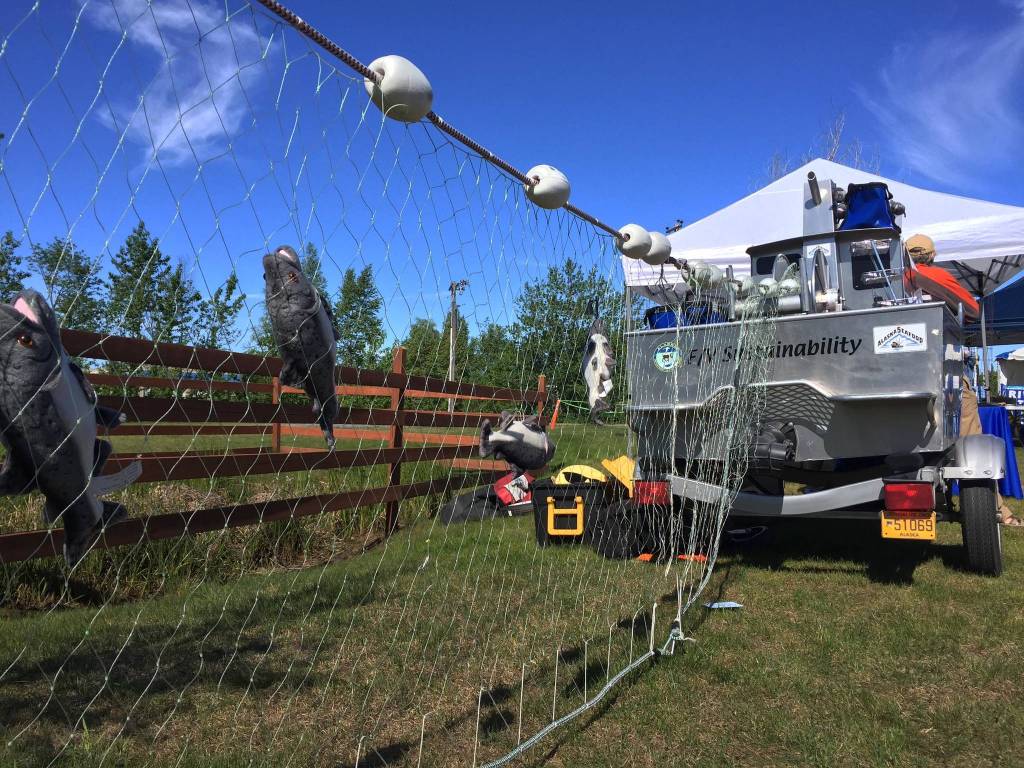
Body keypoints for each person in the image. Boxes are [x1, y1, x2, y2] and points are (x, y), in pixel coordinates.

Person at [907, 234, 1021, 526]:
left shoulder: (890, 280)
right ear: (931, 256)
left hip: (903, 375)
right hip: (944, 372)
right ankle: (995, 508)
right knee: (971, 437)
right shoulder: (935, 275)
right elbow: (973, 309)